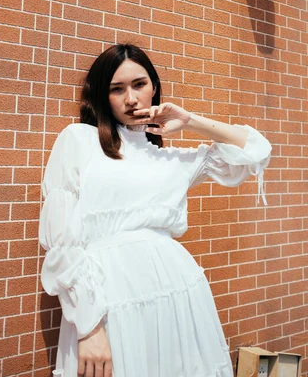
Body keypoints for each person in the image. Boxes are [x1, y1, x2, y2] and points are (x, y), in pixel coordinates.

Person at [39, 44, 271, 377]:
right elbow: (61, 242)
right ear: (103, 97)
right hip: (109, 302)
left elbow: (256, 150)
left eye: (139, 85)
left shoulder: (170, 161)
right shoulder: (79, 140)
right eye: (116, 89)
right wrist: (89, 327)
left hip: (176, 295)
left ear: (154, 88)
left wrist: (189, 121)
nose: (130, 98)